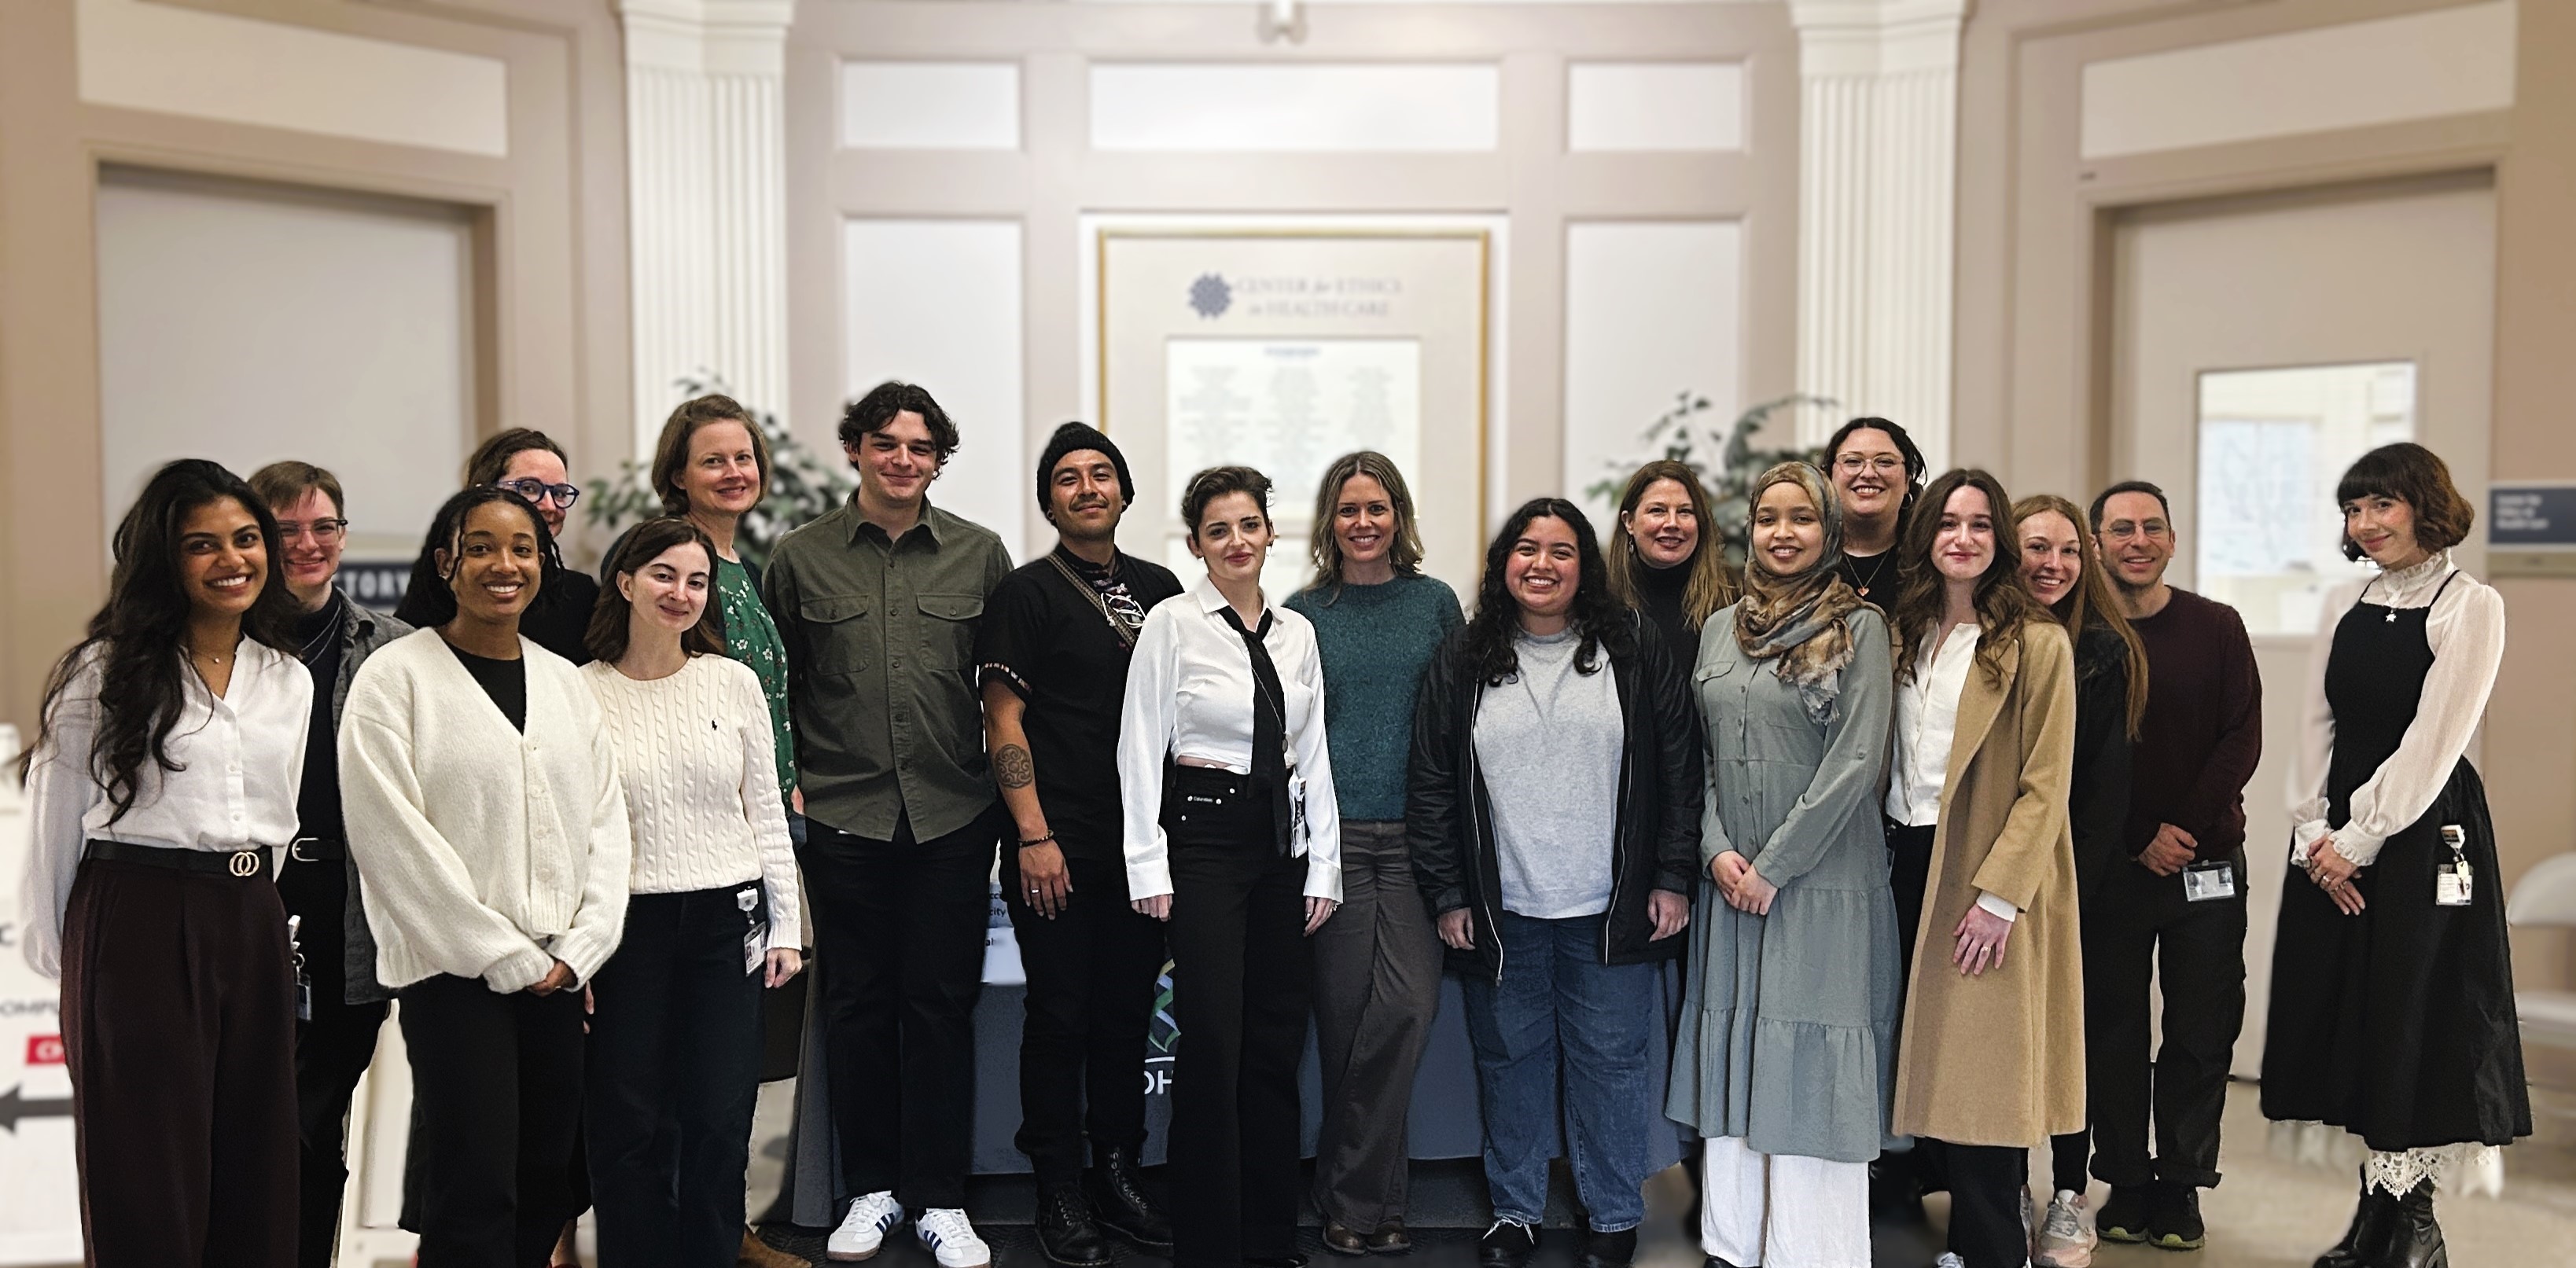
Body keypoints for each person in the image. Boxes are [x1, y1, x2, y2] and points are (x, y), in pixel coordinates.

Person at [19, 459, 311, 1266]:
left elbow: (279, 818)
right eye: (202, 544)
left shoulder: (286, 677)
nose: (232, 560)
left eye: (247, 539)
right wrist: (68, 958)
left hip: (248, 921)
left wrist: (251, 913)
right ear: (164, 559)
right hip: (137, 917)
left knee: (257, 1159)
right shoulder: (103, 670)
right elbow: (54, 820)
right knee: (146, 1168)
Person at [340, 485, 631, 1266]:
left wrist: (586, 940)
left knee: (547, 1175)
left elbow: (606, 821)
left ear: (543, 562)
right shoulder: (395, 678)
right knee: (475, 1182)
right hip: (452, 975)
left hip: (562, 968)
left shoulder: (566, 680)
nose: (504, 564)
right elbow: (392, 839)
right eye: (481, 547)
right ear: (447, 561)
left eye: (523, 548)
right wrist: (505, 955)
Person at [1408, 498, 1698, 1268]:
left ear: (1585, 564)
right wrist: (1448, 892)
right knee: (1510, 1062)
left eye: (1561, 550)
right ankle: (1515, 1207)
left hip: (1612, 908)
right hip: (1502, 913)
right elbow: (1432, 781)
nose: (1543, 564)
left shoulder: (1630, 647)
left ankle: (1611, 1211)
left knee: (1612, 1063)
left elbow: (1678, 767)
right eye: (1527, 549)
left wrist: (1673, 874)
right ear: (1504, 562)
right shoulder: (1465, 655)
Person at [762, 380, 1013, 1268]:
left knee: (941, 1006)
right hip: (843, 814)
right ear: (857, 450)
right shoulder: (799, 557)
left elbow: (1002, 692)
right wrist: (789, 787)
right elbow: (772, 689)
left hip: (952, 812)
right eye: (886, 442)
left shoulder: (981, 554)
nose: (903, 458)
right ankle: (872, 1187)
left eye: (920, 446)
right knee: (858, 1004)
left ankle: (941, 1196)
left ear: (937, 457)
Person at [2264, 443, 2527, 1268]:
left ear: (2424, 505)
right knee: (2347, 1012)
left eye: (2381, 504)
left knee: (2413, 1014)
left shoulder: (2470, 604)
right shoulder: (2344, 598)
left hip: (2419, 830)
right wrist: (2314, 831)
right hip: (2334, 835)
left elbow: (2437, 739)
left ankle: (2414, 1223)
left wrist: (2361, 837)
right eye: (2353, 508)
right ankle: (2374, 1216)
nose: (2366, 523)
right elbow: (2314, 724)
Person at [1669, 462, 1899, 1268]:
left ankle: (1813, 1251)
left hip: (1821, 885)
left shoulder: (1862, 628)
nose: (1783, 531)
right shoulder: (1719, 628)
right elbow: (1698, 758)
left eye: (1802, 517)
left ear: (1828, 530)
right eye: (1769, 516)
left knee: (1808, 1073)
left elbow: (1858, 758)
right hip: (1732, 882)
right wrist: (1717, 850)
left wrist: (1775, 865)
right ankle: (1735, 1243)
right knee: (1740, 1060)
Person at [1118, 465, 1342, 1268]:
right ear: (1195, 545)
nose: (1236, 540)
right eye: (1218, 530)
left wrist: (1325, 869)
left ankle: (1269, 1236)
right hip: (1204, 844)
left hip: (1284, 850)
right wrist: (1147, 862)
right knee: (1212, 1041)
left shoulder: (1297, 632)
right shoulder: (1173, 624)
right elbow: (1139, 744)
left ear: (1269, 535)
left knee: (1275, 1043)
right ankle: (1208, 1243)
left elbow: (1311, 754)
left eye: (1249, 524)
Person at [977, 424, 1184, 1266]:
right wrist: (1033, 834)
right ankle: (1057, 1184)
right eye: (1068, 477)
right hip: (1055, 846)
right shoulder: (1025, 594)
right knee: (1059, 1015)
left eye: (1102, 474)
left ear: (1126, 493)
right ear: (1049, 499)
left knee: (1125, 1013)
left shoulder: (1166, 591)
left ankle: (1116, 1170)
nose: (1087, 486)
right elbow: (1002, 717)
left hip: (1143, 849)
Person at [577, 516, 804, 1265]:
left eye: (697, 580)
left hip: (726, 921)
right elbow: (571, 834)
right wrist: (575, 950)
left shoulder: (732, 682)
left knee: (720, 1117)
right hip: (625, 928)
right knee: (628, 1123)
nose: (681, 593)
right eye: (664, 576)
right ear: (626, 581)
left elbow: (766, 812)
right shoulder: (582, 693)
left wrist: (786, 927)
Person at [1882, 469, 2082, 1268]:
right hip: (1899, 860)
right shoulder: (1899, 631)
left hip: (1978, 870)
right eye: (1948, 523)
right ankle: (1965, 1246)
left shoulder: (2037, 642)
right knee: (1928, 1073)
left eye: (1979, 525)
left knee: (1983, 1085)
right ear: (1926, 534)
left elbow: (2046, 782)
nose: (1962, 538)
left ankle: (1999, 1248)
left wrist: (2001, 896)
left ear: (1999, 541)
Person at [1285, 451, 1463, 1255]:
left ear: (1400, 516)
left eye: (1378, 507)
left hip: (1417, 841)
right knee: (1347, 1024)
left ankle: (1341, 1188)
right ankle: (1374, 1206)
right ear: (1330, 521)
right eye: (1349, 509)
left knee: (1407, 1009)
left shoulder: (1434, 603)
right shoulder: (1300, 611)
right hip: (1335, 842)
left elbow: (1462, 723)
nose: (1364, 522)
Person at [2077, 480, 2259, 1254]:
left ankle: (2183, 1184)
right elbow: (2076, 759)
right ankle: (2124, 1177)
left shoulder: (2217, 625)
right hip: (2114, 867)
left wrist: (2180, 827)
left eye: (2153, 526)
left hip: (2205, 866)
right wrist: (2135, 834)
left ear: (2174, 540)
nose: (2138, 540)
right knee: (2114, 1029)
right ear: (2097, 544)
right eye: (2121, 528)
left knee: (2199, 1028)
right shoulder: (2082, 633)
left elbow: (2240, 735)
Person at [246, 461, 417, 1268]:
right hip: (241, 908)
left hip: (347, 917)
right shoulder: (221, 642)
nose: (308, 544)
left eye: (325, 527)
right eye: (285, 529)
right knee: (246, 1124)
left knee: (317, 1123)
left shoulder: (394, 650)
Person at [2011, 491, 2149, 1266]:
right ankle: (2000, 1185)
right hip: (1990, 882)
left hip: (2074, 884)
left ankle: (2068, 1190)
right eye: (2036, 547)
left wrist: (2058, 890)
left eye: (2067, 549)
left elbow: (2102, 797)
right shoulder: (1983, 638)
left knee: (2072, 1040)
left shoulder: (2105, 651)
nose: (2053, 564)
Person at [410, 428, 601, 665]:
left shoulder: (580, 596)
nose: (550, 506)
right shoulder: (437, 596)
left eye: (560, 493)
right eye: (529, 489)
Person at [1605, 458, 1736, 667]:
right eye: (1658, 510)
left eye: (1685, 512)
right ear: (1629, 522)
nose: (1672, 523)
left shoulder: (1733, 595)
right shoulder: (1603, 597)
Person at [1823, 417, 1926, 605]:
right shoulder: (1807, 557)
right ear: (1829, 478)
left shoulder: (1929, 560)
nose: (1868, 473)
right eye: (1853, 461)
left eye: (1885, 462)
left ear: (1907, 482)